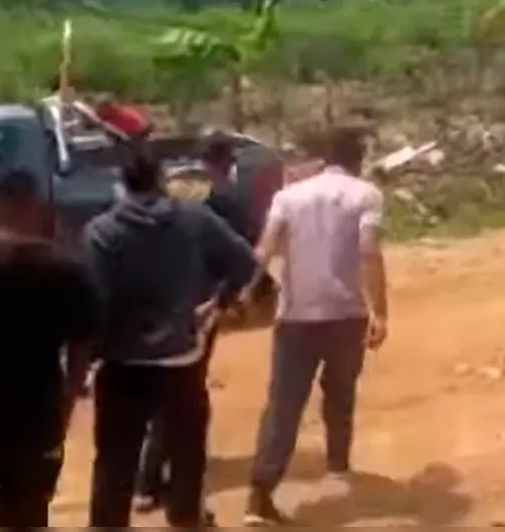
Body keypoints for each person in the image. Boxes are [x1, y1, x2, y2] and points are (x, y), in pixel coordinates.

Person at [84, 145, 258, 528]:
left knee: (115, 459)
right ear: (162, 181)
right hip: (182, 358)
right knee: (186, 453)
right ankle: (185, 519)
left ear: (121, 185)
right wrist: (218, 303)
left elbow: (96, 301)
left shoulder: (102, 232)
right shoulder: (195, 219)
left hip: (123, 364)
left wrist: (90, 355)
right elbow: (245, 262)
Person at [243, 125, 387, 526]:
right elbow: (370, 253)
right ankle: (338, 462)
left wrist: (242, 294)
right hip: (347, 313)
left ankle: (260, 495)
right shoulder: (367, 195)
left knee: (283, 406)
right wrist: (382, 311)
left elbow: (264, 250)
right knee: (340, 390)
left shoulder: (287, 197)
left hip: (296, 317)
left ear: (324, 157)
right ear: (357, 159)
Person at [0, 168, 100, 528]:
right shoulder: (69, 268)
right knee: (28, 515)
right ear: (35, 203)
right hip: (37, 405)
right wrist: (66, 405)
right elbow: (80, 347)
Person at [137, 132, 258, 508]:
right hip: (197, 304)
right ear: (226, 162)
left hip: (148, 300)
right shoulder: (226, 196)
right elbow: (242, 253)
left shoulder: (169, 188)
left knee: (158, 387)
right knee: (185, 388)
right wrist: (224, 300)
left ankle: (150, 477)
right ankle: (157, 481)